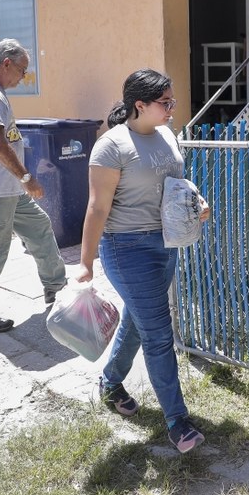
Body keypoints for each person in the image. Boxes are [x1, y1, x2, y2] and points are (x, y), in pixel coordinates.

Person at [75, 68, 209, 454]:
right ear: (140, 105)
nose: (172, 109)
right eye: (165, 103)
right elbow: (97, 207)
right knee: (158, 332)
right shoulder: (111, 146)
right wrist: (85, 262)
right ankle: (177, 422)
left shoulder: (167, 135)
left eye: (172, 101)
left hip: (165, 244)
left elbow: (173, 183)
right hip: (125, 249)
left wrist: (195, 202)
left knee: (138, 319)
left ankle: (111, 382)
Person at [0, 38, 67, 333]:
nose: (24, 78)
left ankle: (56, 288)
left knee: (40, 228)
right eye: (23, 71)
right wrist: (26, 177)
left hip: (7, 190)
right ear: (6, 63)